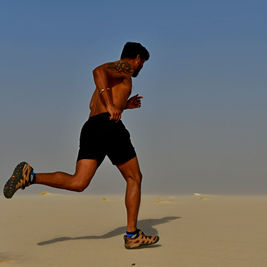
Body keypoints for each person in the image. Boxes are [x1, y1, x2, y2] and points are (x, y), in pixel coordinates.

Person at [3, 42, 159, 249]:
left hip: (92, 127)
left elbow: (97, 106)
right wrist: (113, 106)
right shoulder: (125, 68)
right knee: (134, 177)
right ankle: (132, 235)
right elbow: (98, 71)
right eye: (143, 64)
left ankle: (30, 176)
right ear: (137, 58)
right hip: (110, 128)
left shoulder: (118, 77)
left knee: (78, 182)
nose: (141, 68)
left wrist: (124, 105)